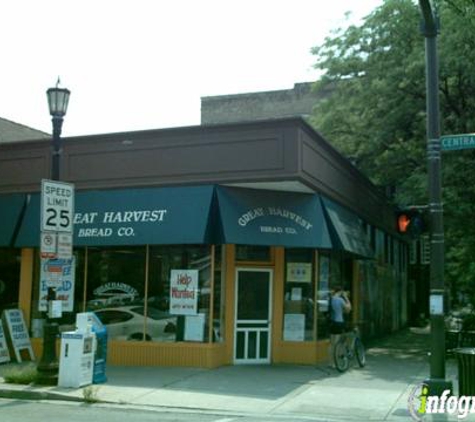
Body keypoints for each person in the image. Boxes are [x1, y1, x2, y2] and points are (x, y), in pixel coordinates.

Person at [329, 286, 352, 365]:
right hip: (339, 322)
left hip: (331, 322)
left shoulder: (331, 299)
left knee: (332, 344)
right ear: (340, 292)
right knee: (337, 343)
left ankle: (331, 362)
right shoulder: (340, 300)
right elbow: (348, 309)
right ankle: (336, 362)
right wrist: (346, 298)